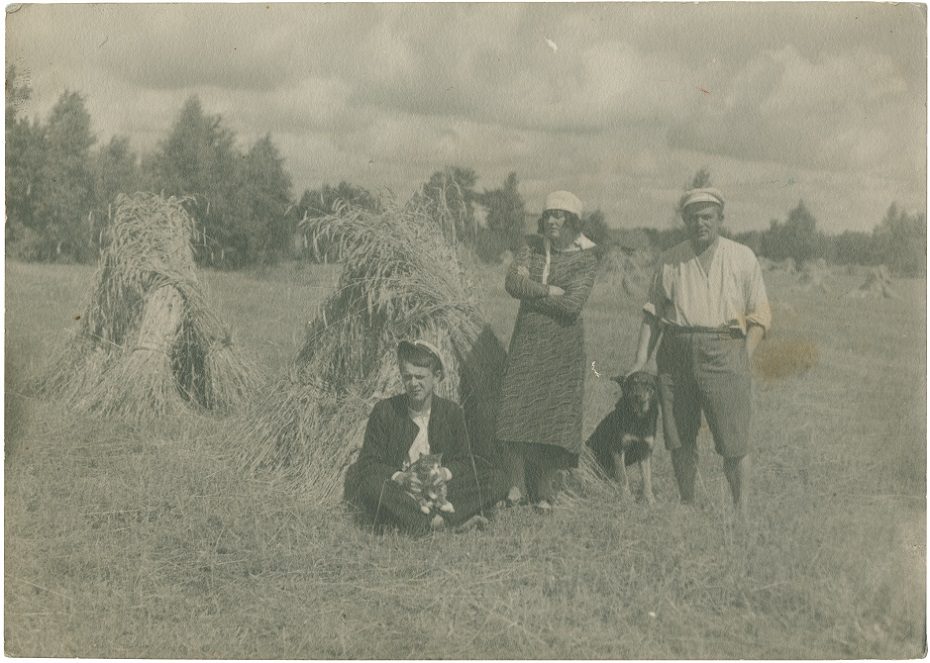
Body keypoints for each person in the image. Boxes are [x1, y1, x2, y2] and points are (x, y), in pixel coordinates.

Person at [626, 187, 771, 516]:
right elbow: (652, 314)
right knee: (679, 434)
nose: (700, 224)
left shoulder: (742, 257)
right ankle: (687, 502)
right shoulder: (670, 259)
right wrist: (639, 359)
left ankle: (741, 511)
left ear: (721, 219)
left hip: (725, 348)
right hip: (675, 350)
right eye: (692, 218)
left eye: (707, 217)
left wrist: (742, 357)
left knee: (733, 438)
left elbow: (759, 318)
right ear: (684, 221)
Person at [495, 190, 600, 512]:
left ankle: (543, 491)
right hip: (527, 343)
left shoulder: (586, 257)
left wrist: (532, 295)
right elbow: (512, 283)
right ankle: (515, 486)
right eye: (549, 215)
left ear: (573, 222)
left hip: (562, 348)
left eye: (561, 216)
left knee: (552, 418)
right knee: (515, 412)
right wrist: (545, 289)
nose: (553, 221)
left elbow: (571, 304)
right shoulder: (532, 247)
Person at [344, 339, 507, 533]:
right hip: (402, 494)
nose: (413, 384)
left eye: (420, 377)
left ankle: (423, 521)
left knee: (497, 479)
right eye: (408, 377)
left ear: (436, 377)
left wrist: (444, 474)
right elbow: (369, 463)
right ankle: (441, 522)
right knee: (372, 486)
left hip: (440, 491)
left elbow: (464, 460)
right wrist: (401, 478)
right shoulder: (385, 411)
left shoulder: (452, 412)